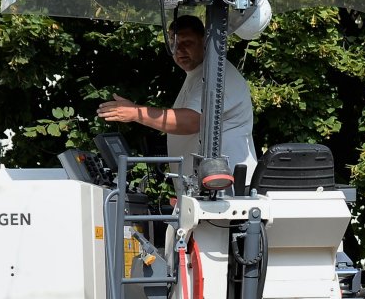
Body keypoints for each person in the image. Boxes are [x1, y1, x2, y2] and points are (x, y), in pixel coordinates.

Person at [98, 14, 256, 181]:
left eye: (187, 43)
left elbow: (191, 121)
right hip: (210, 185)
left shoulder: (218, 75)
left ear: (204, 41)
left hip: (229, 186)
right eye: (174, 44)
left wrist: (135, 113)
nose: (179, 50)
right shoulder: (199, 73)